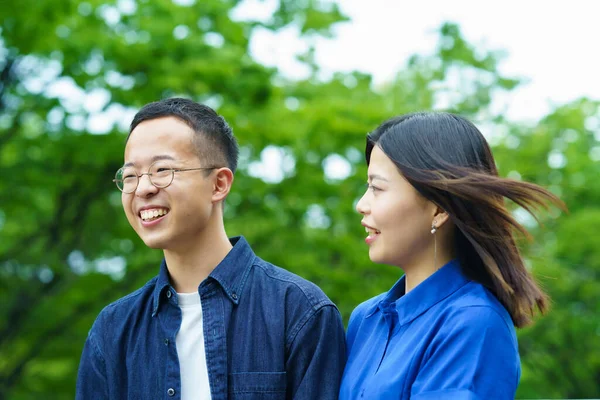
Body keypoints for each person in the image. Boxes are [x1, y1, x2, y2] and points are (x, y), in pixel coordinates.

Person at [76, 98, 346, 400]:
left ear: (219, 184)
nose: (143, 188)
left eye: (162, 170)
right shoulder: (113, 331)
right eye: (129, 176)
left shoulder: (300, 312)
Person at [339, 112, 565, 399]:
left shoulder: (473, 323)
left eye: (377, 188)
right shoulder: (365, 319)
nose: (362, 204)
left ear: (439, 209)